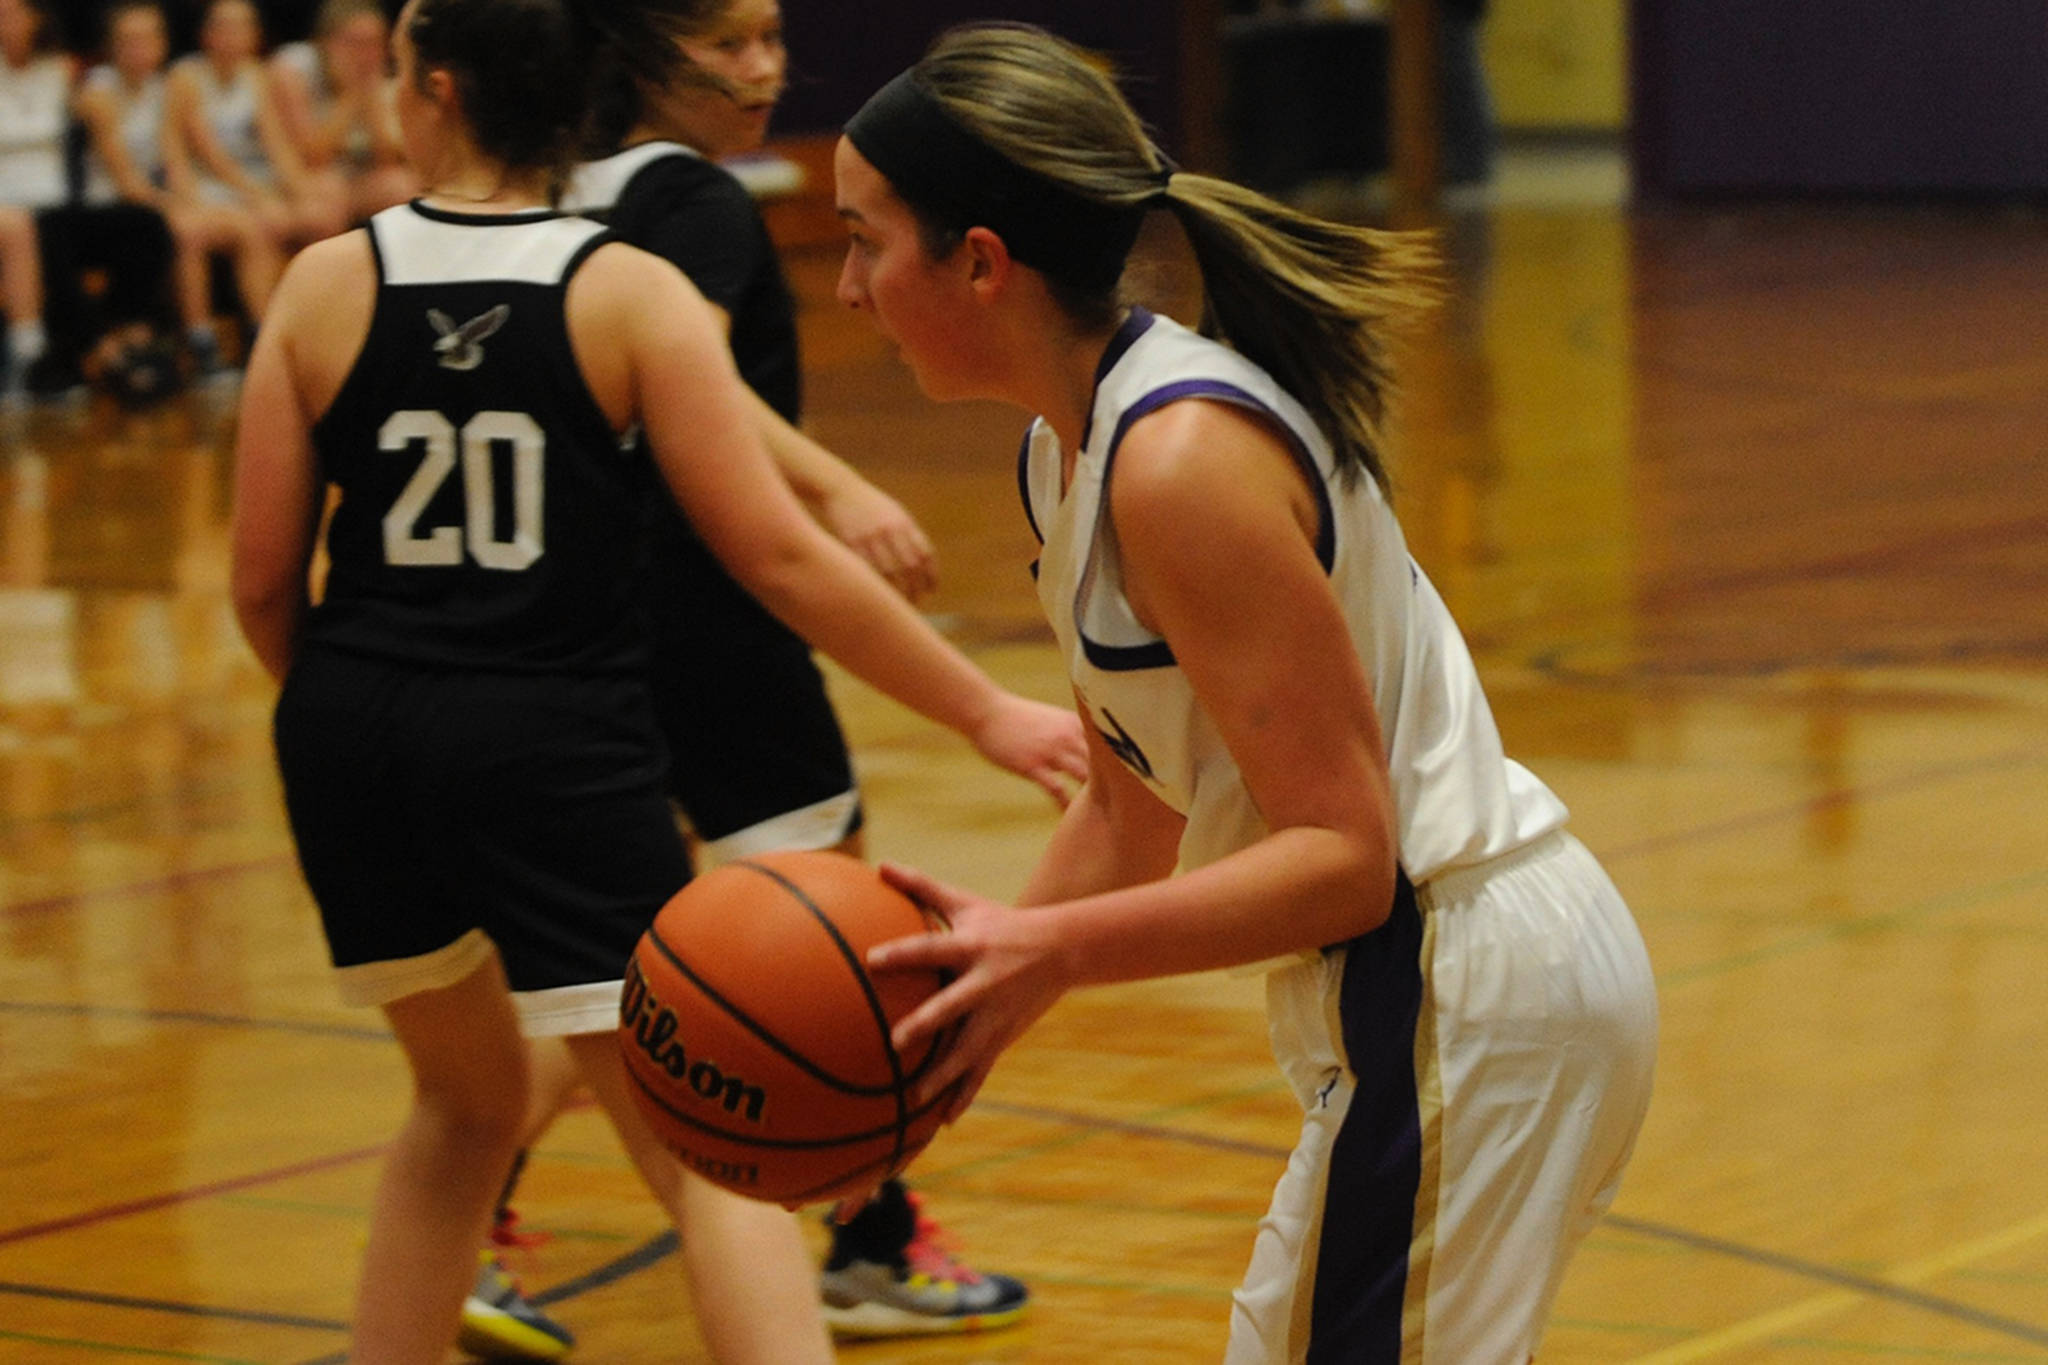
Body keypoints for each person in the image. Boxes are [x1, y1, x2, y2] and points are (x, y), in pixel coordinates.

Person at [227, 1, 1084, 1361]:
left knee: (459, 1107)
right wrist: (984, 707)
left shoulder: (325, 283)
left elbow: (265, 583)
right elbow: (780, 560)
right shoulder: (626, 292)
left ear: (435, 89)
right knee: (711, 1156)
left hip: (352, 731)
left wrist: (355, 713)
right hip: (551, 735)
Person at [835, 24, 1660, 1364]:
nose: (850, 287)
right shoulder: (1072, 454)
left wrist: (1045, 949)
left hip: (1458, 984)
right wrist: (975, 1015)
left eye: (866, 241)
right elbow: (1131, 802)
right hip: (1443, 994)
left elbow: (1343, 859)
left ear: (979, 261)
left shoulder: (1180, 461)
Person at [553, 1, 1027, 1339]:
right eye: (729, 45)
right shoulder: (692, 201)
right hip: (717, 618)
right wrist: (839, 486)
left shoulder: (558, 198)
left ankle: (488, 1180)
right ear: (641, 54)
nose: (766, 71)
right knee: (836, 944)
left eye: (772, 39)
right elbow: (685, 374)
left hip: (597, 620)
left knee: (631, 968)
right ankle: (871, 1231)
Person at [76, 0, 281, 377]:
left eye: (150, 37)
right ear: (111, 45)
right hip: (113, 210)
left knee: (248, 228)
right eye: (130, 39)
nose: (141, 47)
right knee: (188, 231)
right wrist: (178, 206)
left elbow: (175, 155)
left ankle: (263, 340)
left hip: (157, 203)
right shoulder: (98, 91)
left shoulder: (167, 86)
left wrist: (189, 198)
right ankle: (201, 344)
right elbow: (126, 181)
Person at [165, 0, 337, 254]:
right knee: (260, 225)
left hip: (253, 176)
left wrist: (299, 188)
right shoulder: (186, 76)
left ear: (256, 34)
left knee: (320, 209)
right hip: (209, 180)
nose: (233, 34)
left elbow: (276, 144)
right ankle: (263, 295)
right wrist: (259, 195)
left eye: (242, 26)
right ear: (206, 33)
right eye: (224, 26)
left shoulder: (258, 76)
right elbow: (211, 156)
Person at [268, 0, 416, 229]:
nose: (367, 53)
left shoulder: (383, 77)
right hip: (296, 179)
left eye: (376, 43)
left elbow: (387, 158)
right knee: (328, 192)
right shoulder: (294, 68)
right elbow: (313, 156)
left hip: (355, 179)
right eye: (356, 43)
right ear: (325, 42)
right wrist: (352, 96)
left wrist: (370, 98)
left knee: (402, 187)